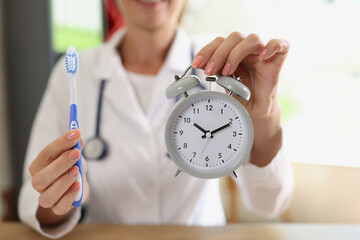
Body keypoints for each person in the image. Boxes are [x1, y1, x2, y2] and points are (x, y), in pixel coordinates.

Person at [19, 0, 294, 238]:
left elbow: (269, 203)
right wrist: (63, 193)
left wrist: (265, 113)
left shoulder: (227, 69)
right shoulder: (75, 75)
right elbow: (32, 203)